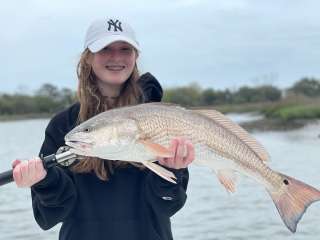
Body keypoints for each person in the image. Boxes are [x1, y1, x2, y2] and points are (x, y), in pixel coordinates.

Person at [12, 17, 195, 240]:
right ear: (88, 57)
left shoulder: (160, 119)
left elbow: (169, 207)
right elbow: (49, 217)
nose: (116, 57)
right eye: (105, 49)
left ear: (136, 56)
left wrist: (173, 171)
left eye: (125, 49)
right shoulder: (64, 125)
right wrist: (43, 181)